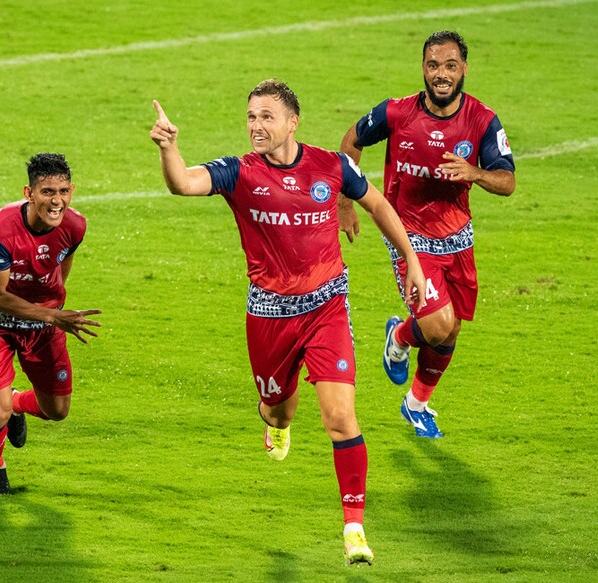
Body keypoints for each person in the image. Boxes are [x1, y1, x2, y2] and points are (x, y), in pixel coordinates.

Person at [150, 80, 425, 566]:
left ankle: (354, 528)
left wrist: (413, 261)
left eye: (267, 117)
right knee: (279, 411)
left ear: (292, 122)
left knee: (340, 418)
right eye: (251, 117)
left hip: (326, 308)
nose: (256, 126)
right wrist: (169, 148)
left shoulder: (332, 165)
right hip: (270, 316)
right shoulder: (239, 171)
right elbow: (183, 184)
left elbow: (378, 204)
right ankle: (276, 424)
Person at [338, 30, 516, 439]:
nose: (441, 74)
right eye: (433, 65)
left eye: (450, 66)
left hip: (457, 237)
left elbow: (507, 182)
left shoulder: (482, 120)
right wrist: (345, 203)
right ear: (423, 67)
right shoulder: (396, 113)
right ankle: (400, 337)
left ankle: (416, 405)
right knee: (436, 325)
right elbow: (352, 140)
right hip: (408, 234)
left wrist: (474, 172)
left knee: (451, 329)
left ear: (464, 69)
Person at [0, 153, 101, 495]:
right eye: (47, 192)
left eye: (63, 191)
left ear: (72, 191)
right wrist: (53, 316)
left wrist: (54, 309)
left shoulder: (75, 226)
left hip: (42, 326)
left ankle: (15, 404)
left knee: (57, 411)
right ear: (29, 193)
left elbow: (59, 270)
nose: (57, 201)